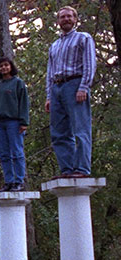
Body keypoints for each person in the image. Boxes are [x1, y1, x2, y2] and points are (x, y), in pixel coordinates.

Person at [45, 6, 96, 179]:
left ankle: (82, 169)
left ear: (75, 19)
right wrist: (49, 96)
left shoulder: (83, 38)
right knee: (59, 132)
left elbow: (89, 64)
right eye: (62, 17)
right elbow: (50, 72)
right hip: (57, 88)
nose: (65, 19)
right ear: (58, 21)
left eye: (69, 16)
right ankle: (67, 169)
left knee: (80, 129)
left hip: (75, 84)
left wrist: (84, 87)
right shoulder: (54, 45)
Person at [0, 58, 30, 191]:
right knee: (3, 154)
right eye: (1, 66)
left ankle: (19, 181)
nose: (3, 68)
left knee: (17, 152)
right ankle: (9, 181)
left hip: (14, 121)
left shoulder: (18, 83)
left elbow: (24, 103)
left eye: (6, 65)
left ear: (11, 67)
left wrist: (24, 122)